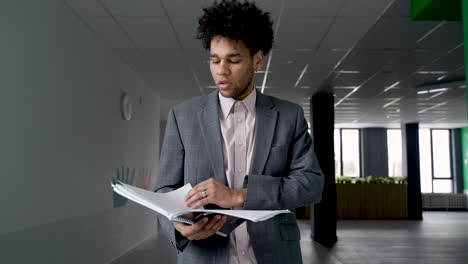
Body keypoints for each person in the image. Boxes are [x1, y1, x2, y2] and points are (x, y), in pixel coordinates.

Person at [155, 0, 324, 263]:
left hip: (274, 255)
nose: (221, 70)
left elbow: (311, 185)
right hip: (204, 255)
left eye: (233, 60)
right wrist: (179, 226)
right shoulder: (183, 117)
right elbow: (164, 191)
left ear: (257, 59)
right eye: (214, 60)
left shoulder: (289, 116)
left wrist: (238, 195)